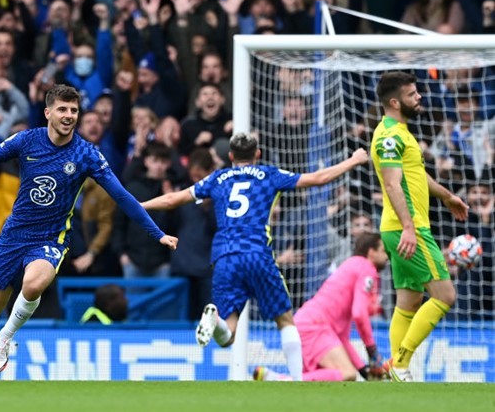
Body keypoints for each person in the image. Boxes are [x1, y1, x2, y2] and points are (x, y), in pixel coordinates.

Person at [0, 84, 178, 380]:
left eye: (74, 110)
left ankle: (6, 337)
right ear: (48, 112)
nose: (69, 115)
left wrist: (157, 233)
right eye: (63, 109)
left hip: (51, 238)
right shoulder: (26, 141)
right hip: (14, 235)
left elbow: (123, 197)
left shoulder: (87, 154)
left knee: (34, 284)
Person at [140, 131, 368, 381]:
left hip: (224, 257)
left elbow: (174, 198)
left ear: (230, 156)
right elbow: (319, 178)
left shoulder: (217, 178)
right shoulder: (270, 175)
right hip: (257, 253)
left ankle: (215, 322)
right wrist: (353, 160)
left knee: (230, 333)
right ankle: (298, 382)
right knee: (285, 321)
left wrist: (138, 205)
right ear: (257, 154)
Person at [370, 71, 468, 382]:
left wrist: (448, 196)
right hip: (407, 228)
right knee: (445, 295)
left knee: (410, 300)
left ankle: (398, 373)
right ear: (396, 102)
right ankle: (399, 363)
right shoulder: (389, 137)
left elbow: (416, 175)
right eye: (413, 94)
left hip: (401, 227)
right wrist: (410, 229)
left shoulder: (402, 132)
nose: (420, 97)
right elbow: (392, 184)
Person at [254, 232, 389, 382]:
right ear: (371, 252)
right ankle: (281, 379)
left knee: (335, 380)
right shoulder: (366, 268)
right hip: (314, 327)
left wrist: (363, 369)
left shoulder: (351, 266)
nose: (387, 257)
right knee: (347, 373)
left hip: (306, 324)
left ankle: (278, 379)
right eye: (383, 251)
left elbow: (342, 339)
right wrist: (372, 351)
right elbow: (359, 313)